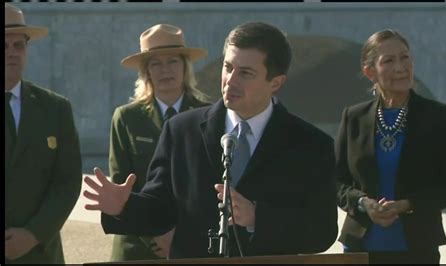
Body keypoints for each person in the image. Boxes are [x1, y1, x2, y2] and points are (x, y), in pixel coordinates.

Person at [84, 22, 338, 259]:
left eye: (246, 73)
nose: (230, 81)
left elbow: (322, 232)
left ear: (276, 83)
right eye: (228, 68)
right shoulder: (182, 130)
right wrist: (125, 206)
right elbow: (160, 211)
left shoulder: (311, 145)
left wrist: (257, 218)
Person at [335, 29, 446, 264]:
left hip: (418, 246)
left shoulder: (438, 116)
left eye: (405, 57)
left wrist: (406, 205)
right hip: (360, 247)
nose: (400, 67)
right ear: (370, 72)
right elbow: (336, 181)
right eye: (389, 60)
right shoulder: (353, 117)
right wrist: (363, 203)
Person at [108, 24, 210, 261]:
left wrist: (180, 237)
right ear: (146, 72)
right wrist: (157, 236)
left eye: (173, 61)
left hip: (193, 246)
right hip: (137, 247)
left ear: (185, 67)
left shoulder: (209, 116)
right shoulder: (126, 118)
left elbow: (211, 186)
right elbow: (121, 185)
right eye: (156, 63)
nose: (165, 70)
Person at [5, 4, 82, 264]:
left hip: (40, 253)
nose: (12, 53)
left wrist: (33, 234)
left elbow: (68, 181)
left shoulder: (55, 108)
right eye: (3, 45)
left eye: (19, 45)